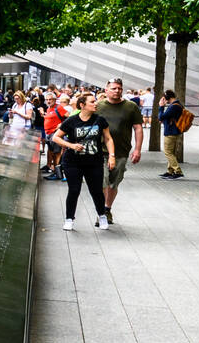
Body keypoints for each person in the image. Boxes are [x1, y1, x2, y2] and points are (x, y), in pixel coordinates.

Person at [52, 92, 116, 231]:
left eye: (95, 101)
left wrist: (112, 156)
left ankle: (102, 216)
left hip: (94, 161)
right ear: (82, 105)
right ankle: (69, 219)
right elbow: (56, 137)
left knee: (96, 191)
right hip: (73, 162)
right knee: (74, 190)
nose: (96, 104)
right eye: (92, 102)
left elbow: (108, 138)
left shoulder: (100, 120)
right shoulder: (72, 120)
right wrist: (71, 145)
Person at [96, 77, 143, 222]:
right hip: (100, 151)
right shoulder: (98, 106)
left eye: (119, 88)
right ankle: (101, 212)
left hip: (121, 152)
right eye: (114, 88)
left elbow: (138, 128)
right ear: (106, 90)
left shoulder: (130, 107)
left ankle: (107, 209)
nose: (117, 91)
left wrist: (137, 149)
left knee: (113, 183)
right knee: (101, 182)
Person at [158, 89, 186, 179]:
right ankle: (170, 171)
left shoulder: (174, 106)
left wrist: (161, 107)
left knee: (168, 152)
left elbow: (161, 116)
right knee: (171, 152)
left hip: (170, 131)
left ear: (167, 98)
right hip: (173, 131)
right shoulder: (177, 105)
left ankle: (178, 171)